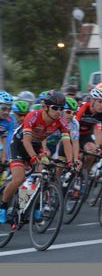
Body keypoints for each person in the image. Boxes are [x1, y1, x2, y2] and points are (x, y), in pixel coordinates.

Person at [0, 91, 73, 224]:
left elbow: (67, 142)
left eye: (61, 108)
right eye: (55, 108)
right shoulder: (33, 116)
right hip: (19, 144)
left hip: (36, 146)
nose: (59, 111)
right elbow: (26, 141)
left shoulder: (61, 122)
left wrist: (70, 161)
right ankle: (3, 207)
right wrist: (34, 157)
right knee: (19, 178)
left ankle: (31, 206)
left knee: (43, 175)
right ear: (46, 107)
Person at [0, 91, 15, 163]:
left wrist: (6, 158)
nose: (7, 112)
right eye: (4, 108)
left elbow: (8, 139)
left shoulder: (9, 120)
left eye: (9, 109)